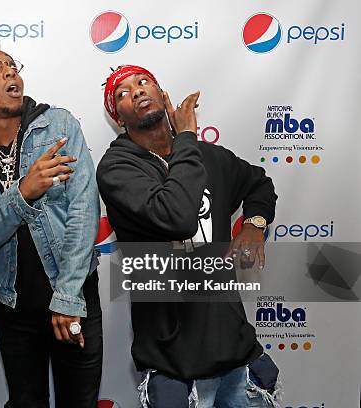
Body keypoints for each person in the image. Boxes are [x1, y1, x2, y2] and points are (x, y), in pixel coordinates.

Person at [96, 65, 280, 407]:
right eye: (122, 93)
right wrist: (186, 140)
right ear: (118, 118)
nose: (136, 91)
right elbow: (177, 217)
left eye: (143, 82)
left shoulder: (209, 157)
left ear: (163, 97)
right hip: (174, 362)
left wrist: (254, 224)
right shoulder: (117, 168)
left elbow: (259, 183)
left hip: (236, 350)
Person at [0, 45, 102, 407]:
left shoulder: (59, 126)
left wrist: (67, 298)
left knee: (79, 401)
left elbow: (84, 210)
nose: (9, 72)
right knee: (25, 401)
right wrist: (23, 192)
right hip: (14, 304)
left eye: (12, 66)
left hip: (74, 292)